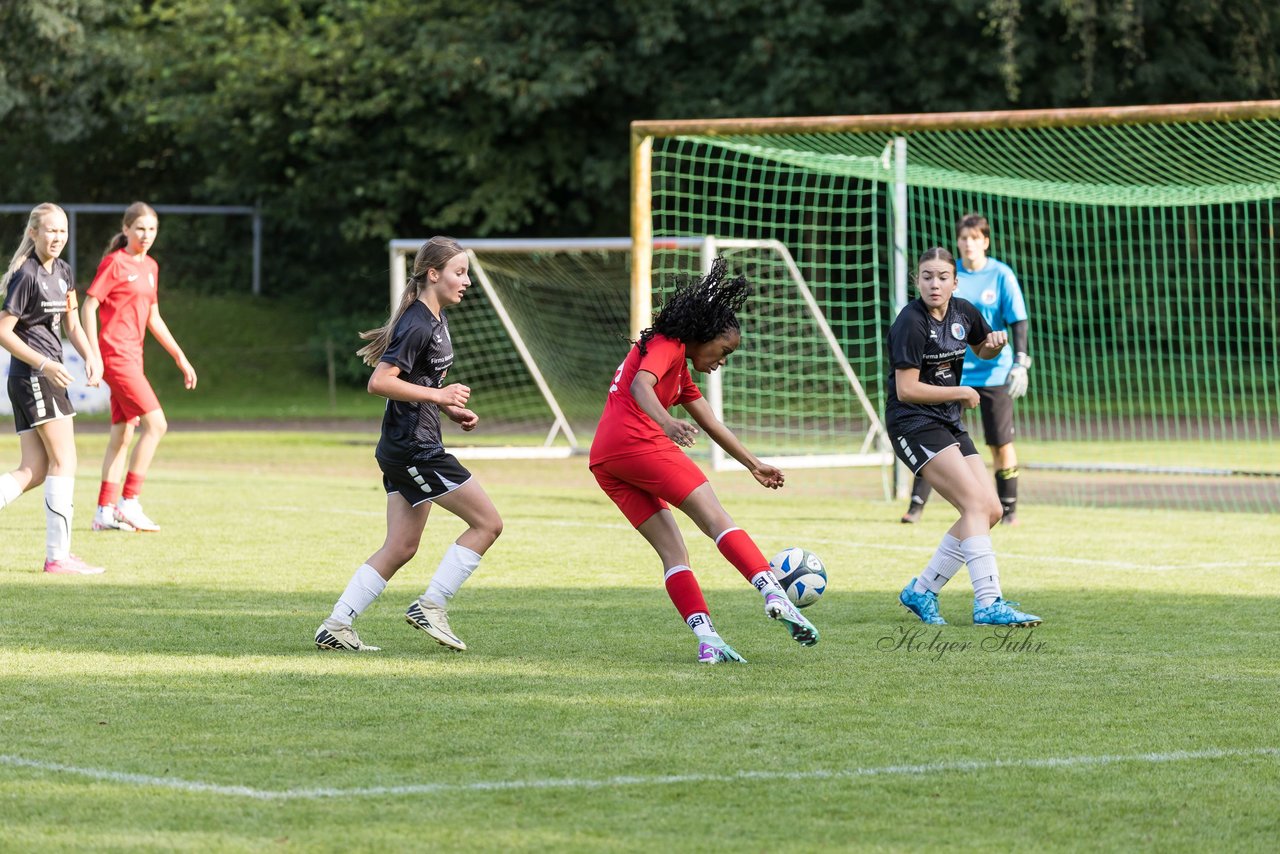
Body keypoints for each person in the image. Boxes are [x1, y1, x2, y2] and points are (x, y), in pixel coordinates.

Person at [589, 257, 819, 664]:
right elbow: (642, 387)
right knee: (717, 519)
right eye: (723, 350)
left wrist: (752, 463)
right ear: (704, 334)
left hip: (607, 460)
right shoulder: (667, 345)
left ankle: (708, 639)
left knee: (674, 553)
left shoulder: (681, 371)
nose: (722, 361)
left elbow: (712, 422)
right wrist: (666, 423)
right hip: (638, 442)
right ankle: (775, 594)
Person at [314, 236, 502, 652]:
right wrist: (439, 396)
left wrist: (448, 409)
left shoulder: (434, 318)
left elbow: (417, 384)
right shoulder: (418, 322)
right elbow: (379, 382)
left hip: (406, 445)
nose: (466, 281)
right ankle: (431, 605)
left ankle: (337, 625)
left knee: (401, 545)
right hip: (415, 450)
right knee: (488, 524)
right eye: (459, 272)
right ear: (433, 274)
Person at [888, 247, 1040, 627]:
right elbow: (906, 389)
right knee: (974, 504)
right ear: (917, 281)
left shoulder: (964, 311)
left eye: (942, 277)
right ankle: (988, 602)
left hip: (947, 421)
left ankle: (921, 591)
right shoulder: (910, 322)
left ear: (955, 282)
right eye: (926, 276)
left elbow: (981, 350)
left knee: (990, 509)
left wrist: (992, 346)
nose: (934, 284)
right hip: (913, 422)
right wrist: (961, 391)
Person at [901, 213, 1030, 525]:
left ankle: (1009, 509)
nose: (969, 244)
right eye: (963, 238)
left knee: (1000, 442)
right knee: (937, 434)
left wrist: (1020, 362)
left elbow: (1018, 321)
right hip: (949, 373)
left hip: (993, 372)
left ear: (985, 241)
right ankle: (916, 506)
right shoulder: (946, 274)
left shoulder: (1001, 275)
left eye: (975, 238)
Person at [0, 203, 105, 574]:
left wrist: (91, 355)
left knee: (34, 469)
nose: (57, 237)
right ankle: (58, 557)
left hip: (40, 377)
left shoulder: (63, 271)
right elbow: (2, 331)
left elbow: (72, 324)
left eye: (62, 231)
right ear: (34, 234)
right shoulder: (26, 275)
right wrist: (44, 363)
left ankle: (59, 556)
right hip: (34, 377)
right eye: (50, 230)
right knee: (65, 460)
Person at [81, 202, 197, 533]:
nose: (146, 235)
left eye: (152, 230)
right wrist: (94, 354)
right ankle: (128, 501)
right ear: (127, 229)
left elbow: (153, 317)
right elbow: (89, 307)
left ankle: (104, 511)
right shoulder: (114, 263)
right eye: (140, 229)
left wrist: (179, 356)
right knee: (157, 425)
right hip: (116, 358)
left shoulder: (151, 267)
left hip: (134, 357)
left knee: (122, 435)